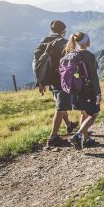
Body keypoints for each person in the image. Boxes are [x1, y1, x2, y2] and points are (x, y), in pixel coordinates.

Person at [33, 20, 77, 148]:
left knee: (60, 103)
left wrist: (41, 81)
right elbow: (71, 62)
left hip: (49, 79)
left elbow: (38, 62)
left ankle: (68, 125)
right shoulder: (63, 42)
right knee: (61, 107)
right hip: (61, 79)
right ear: (63, 30)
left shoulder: (44, 41)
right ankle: (53, 137)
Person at [63, 32, 102, 149]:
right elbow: (93, 76)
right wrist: (98, 93)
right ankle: (78, 135)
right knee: (93, 114)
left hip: (75, 90)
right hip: (87, 89)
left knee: (84, 113)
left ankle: (87, 140)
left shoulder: (71, 54)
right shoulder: (88, 55)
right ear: (85, 42)